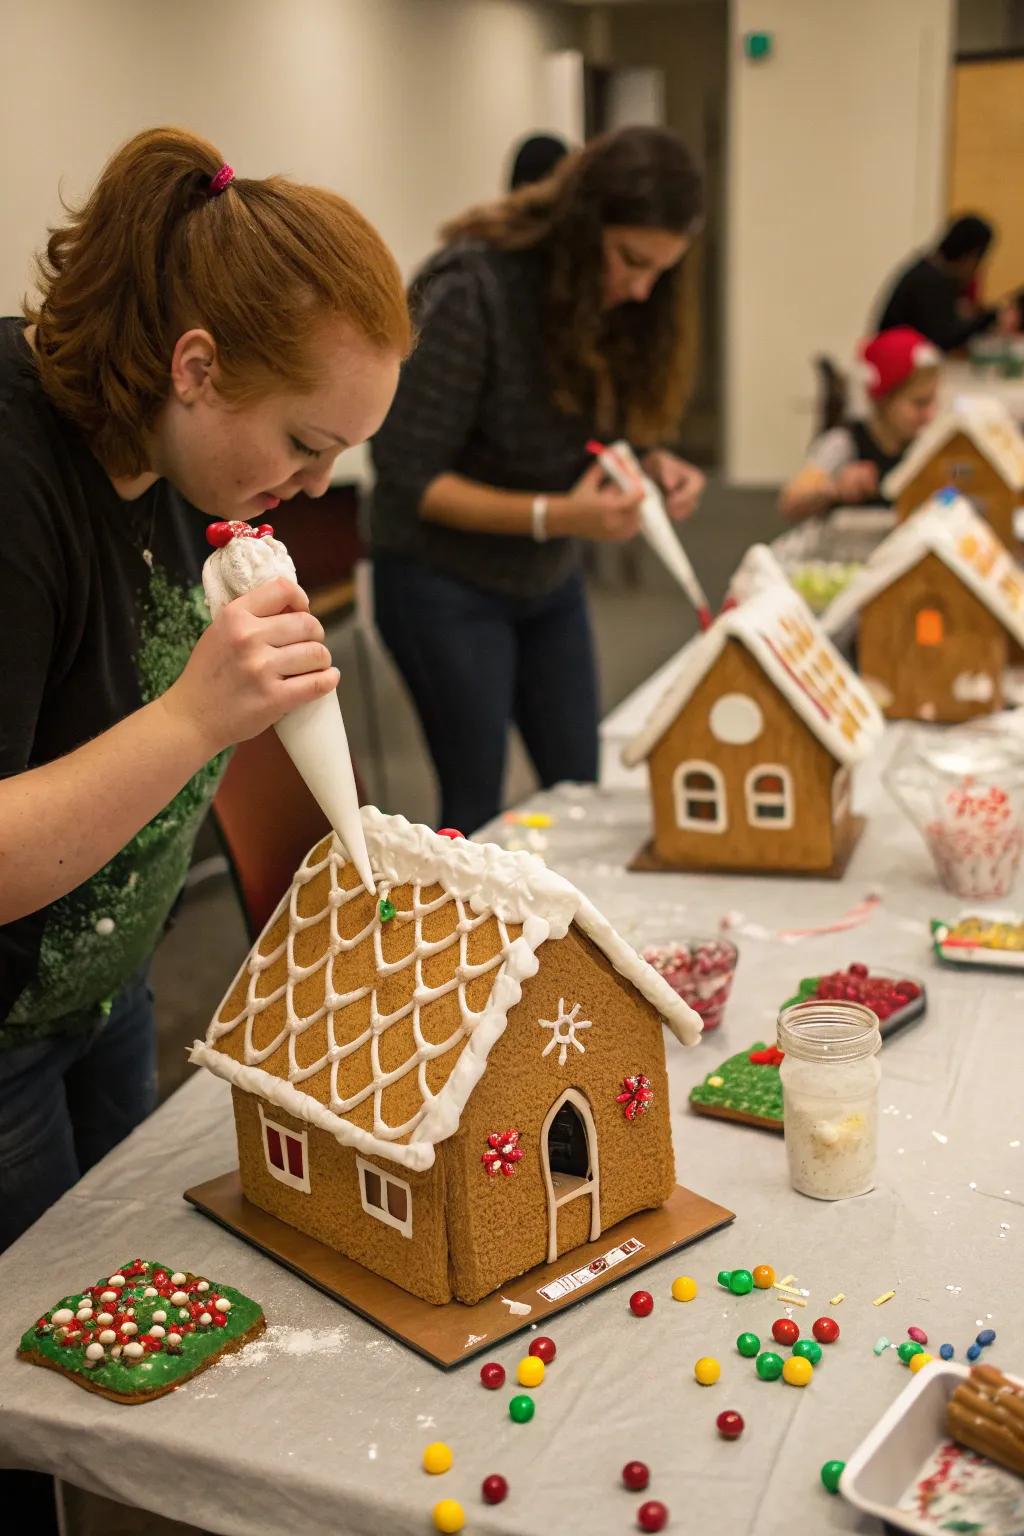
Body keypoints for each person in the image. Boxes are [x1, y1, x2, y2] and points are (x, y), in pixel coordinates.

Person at [0, 128, 410, 1257]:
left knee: (120, 1298)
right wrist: (193, 717)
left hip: (105, 987)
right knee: (40, 1380)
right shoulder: (20, 488)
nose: (319, 486)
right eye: (304, 443)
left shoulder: (178, 458)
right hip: (7, 1028)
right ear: (195, 367)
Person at [370, 126, 706, 834]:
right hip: (440, 582)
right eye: (630, 260)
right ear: (583, 229)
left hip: (544, 576)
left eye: (661, 273)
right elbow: (407, 478)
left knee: (580, 790)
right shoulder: (469, 291)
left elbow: (592, 425)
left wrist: (646, 460)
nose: (642, 289)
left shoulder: (618, 303)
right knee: (476, 802)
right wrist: (560, 517)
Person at [780, 328, 940, 522]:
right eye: (919, 403)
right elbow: (790, 502)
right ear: (883, 401)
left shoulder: (926, 445)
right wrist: (834, 487)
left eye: (932, 402)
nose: (930, 414)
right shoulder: (844, 443)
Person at [875, 214, 1017, 352]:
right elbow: (944, 340)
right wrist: (988, 318)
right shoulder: (932, 279)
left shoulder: (929, 270)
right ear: (970, 255)